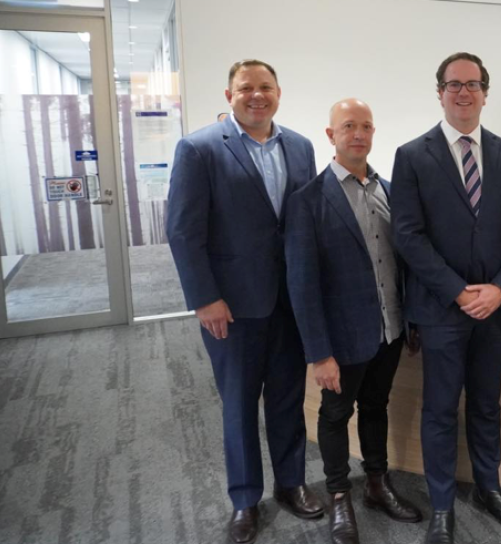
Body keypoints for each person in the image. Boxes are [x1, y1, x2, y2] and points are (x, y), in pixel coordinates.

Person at [167, 59, 323, 544]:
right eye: (246, 89)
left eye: (266, 87)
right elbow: (183, 230)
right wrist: (204, 298)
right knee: (238, 405)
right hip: (230, 307)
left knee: (288, 400)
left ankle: (291, 484)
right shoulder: (200, 148)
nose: (257, 96)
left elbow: (304, 224)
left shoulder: (300, 146)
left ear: (279, 91)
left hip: (290, 303)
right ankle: (244, 500)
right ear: (229, 94)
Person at [389, 52, 501, 544]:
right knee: (439, 408)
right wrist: (457, 291)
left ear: (485, 92)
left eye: (473, 84)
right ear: (440, 92)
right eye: (454, 85)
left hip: (496, 309)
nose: (464, 93)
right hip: (440, 311)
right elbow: (408, 236)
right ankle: (442, 505)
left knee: (487, 404)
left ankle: (488, 488)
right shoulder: (412, 156)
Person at [285, 98, 424, 544]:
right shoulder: (308, 201)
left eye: (365, 126)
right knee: (334, 414)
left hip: (390, 328)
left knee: (377, 406)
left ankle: (378, 485)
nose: (358, 134)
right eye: (348, 126)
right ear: (331, 135)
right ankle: (340, 495)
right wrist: (319, 353)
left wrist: (411, 321)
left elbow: (405, 264)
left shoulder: (389, 191)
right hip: (342, 338)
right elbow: (302, 285)